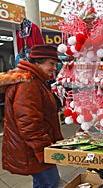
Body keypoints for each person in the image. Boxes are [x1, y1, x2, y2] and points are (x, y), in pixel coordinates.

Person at [0, 44, 64, 188]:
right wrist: (44, 151)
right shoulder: (29, 83)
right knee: (51, 182)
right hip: (35, 150)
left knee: (41, 182)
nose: (55, 68)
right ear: (38, 62)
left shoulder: (35, 80)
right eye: (51, 63)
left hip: (33, 147)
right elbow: (29, 123)